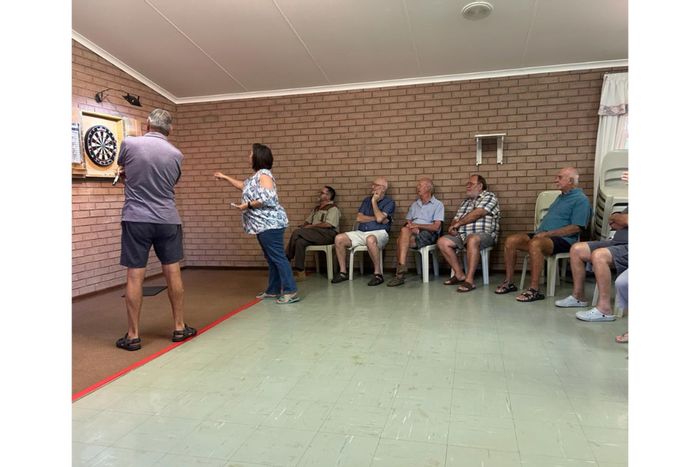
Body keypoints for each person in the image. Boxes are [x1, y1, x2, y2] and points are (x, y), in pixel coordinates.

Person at [115, 108, 196, 351]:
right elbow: (170, 183)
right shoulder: (176, 154)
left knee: (134, 275)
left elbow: (124, 169)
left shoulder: (129, 143)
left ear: (147, 124)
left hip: (136, 219)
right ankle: (179, 327)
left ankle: (133, 336)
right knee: (173, 271)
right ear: (170, 129)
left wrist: (126, 177)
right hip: (167, 219)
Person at [214, 143, 299, 304]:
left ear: (258, 157)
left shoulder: (264, 175)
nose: (248, 156)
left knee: (278, 257)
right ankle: (273, 290)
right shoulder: (256, 176)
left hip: (270, 224)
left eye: (250, 154)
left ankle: (290, 290)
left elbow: (268, 198)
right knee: (271, 258)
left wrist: (247, 205)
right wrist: (225, 177)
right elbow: (243, 186)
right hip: (262, 225)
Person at [495, 167, 591, 302]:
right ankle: (509, 282)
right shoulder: (561, 197)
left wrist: (547, 234)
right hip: (543, 235)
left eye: (559, 177)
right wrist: (543, 234)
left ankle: (534, 289)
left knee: (536, 244)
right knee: (511, 240)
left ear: (570, 181)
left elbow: (577, 228)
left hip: (564, 240)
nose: (555, 180)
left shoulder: (581, 200)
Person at [555, 209, 628, 322]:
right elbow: (614, 220)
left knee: (599, 255)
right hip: (616, 243)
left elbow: (624, 219)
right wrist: (618, 218)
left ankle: (604, 309)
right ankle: (578, 297)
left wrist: (619, 218)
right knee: (576, 249)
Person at [438, 174, 500, 292]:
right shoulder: (465, 202)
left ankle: (469, 280)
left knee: (472, 239)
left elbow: (478, 213)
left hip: (484, 235)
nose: (468, 186)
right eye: (467, 184)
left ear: (480, 186)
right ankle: (459, 274)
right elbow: (456, 219)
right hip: (462, 235)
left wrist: (458, 224)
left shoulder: (490, 197)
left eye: (471, 184)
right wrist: (452, 227)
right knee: (442, 241)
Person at [331, 177, 395, 286]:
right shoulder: (366, 200)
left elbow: (380, 219)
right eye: (372, 184)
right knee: (339, 238)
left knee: (370, 239)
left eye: (375, 185)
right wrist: (376, 218)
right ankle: (343, 272)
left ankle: (378, 274)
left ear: (383, 188)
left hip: (380, 233)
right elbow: (359, 218)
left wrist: (374, 201)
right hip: (361, 232)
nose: (372, 187)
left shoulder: (389, 202)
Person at [386, 177, 444, 287]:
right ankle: (401, 269)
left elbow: (436, 227)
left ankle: (399, 274)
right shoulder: (415, 204)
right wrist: (412, 227)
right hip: (413, 231)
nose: (417, 187)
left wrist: (418, 226)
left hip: (429, 233)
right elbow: (408, 221)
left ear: (428, 188)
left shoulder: (438, 205)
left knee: (399, 241)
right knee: (404, 229)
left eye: (420, 185)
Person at [285, 185, 341, 280]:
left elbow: (329, 224)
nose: (319, 194)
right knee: (300, 242)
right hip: (315, 234)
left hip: (328, 234)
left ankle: (286, 259)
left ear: (328, 196)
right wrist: (304, 226)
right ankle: (300, 272)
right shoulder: (316, 209)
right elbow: (308, 221)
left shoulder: (333, 208)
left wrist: (311, 227)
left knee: (297, 233)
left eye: (322, 193)